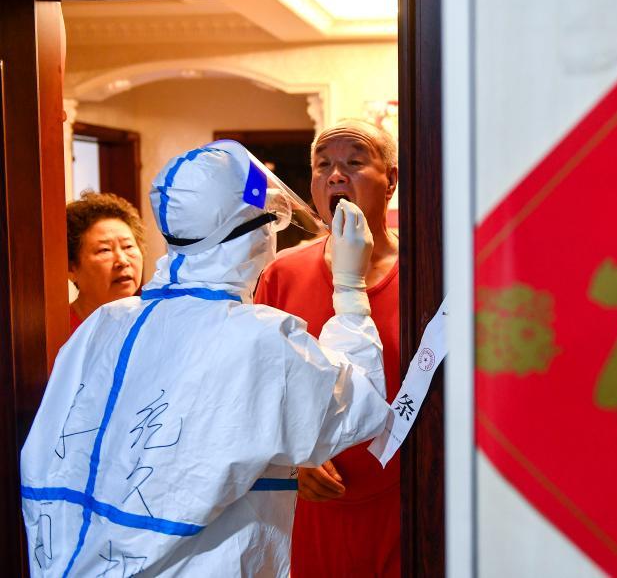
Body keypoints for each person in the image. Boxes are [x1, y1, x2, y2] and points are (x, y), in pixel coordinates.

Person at [20, 141, 390, 577]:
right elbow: (362, 407)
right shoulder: (259, 339)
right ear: (256, 232)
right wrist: (349, 286)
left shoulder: (104, 325)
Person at [255, 119, 401, 577]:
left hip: (409, 496)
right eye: (323, 166)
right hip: (316, 505)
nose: (336, 175)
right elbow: (258, 385)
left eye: (354, 162)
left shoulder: (430, 269)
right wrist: (290, 458)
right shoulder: (283, 274)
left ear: (390, 181)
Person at [66, 192, 146, 333]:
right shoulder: (57, 334)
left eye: (128, 246)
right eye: (105, 250)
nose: (122, 261)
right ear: (71, 269)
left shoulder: (153, 324)